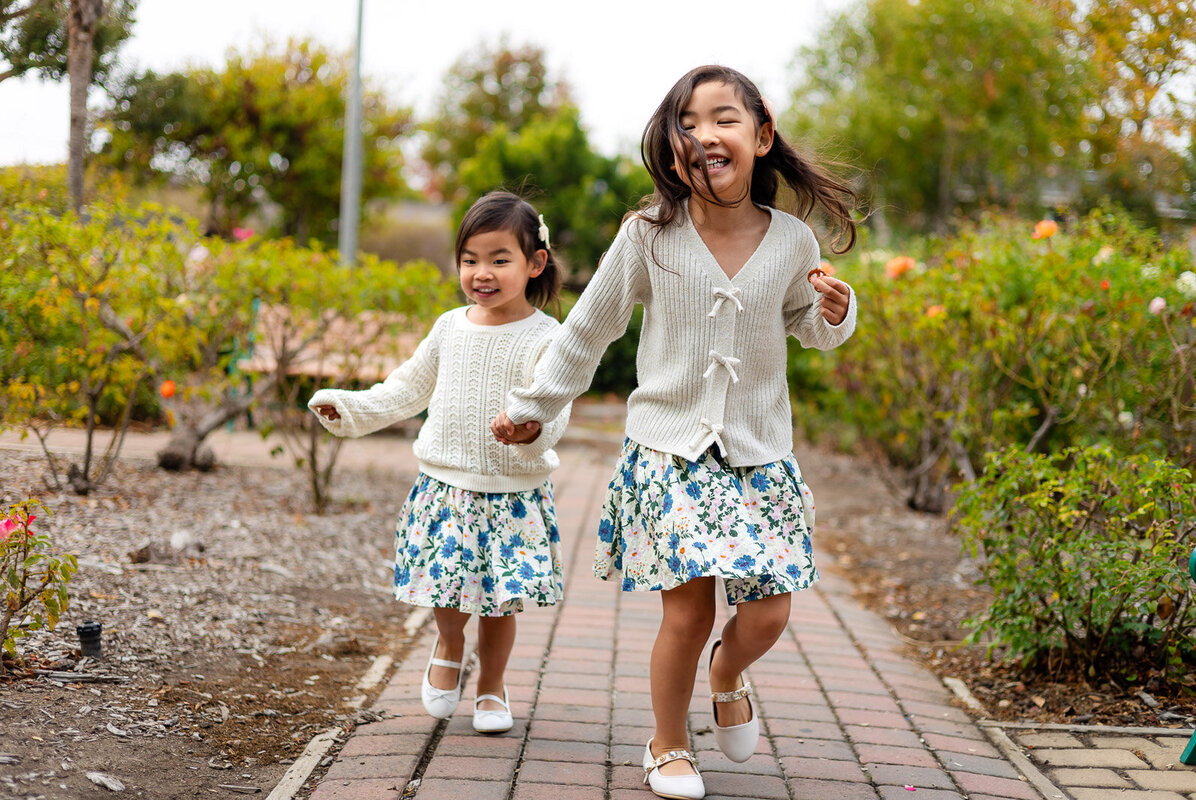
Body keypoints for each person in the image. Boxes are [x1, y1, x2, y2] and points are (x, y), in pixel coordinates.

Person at [491, 65, 859, 798]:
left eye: (723, 117)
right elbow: (585, 335)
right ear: (671, 143)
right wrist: (534, 404)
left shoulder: (792, 241)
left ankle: (728, 672)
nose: (703, 134)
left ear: (761, 136)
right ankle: (667, 744)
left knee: (771, 609)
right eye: (686, 122)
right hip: (670, 450)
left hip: (759, 453)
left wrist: (836, 310)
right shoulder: (649, 236)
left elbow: (807, 331)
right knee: (688, 609)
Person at [310, 191, 569, 734]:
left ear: (535, 263)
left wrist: (529, 430)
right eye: (470, 259)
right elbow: (406, 388)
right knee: (448, 588)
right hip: (447, 486)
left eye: (500, 259)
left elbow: (554, 405)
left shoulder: (548, 338)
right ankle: (449, 646)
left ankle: (492, 686)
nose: (483, 272)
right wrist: (351, 406)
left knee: (500, 602)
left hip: (513, 493)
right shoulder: (450, 327)